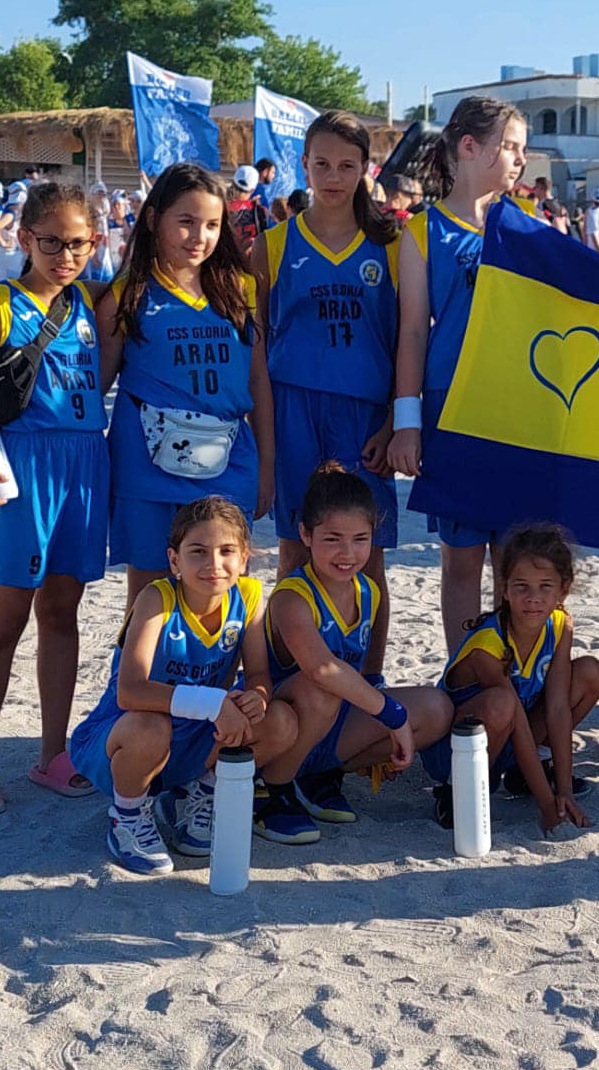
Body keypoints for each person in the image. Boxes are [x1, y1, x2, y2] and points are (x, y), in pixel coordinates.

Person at [0, 182, 109, 816]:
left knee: (62, 612)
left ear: (95, 242)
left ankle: (52, 753)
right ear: (26, 238)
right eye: (52, 242)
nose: (66, 255)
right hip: (22, 469)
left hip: (86, 468)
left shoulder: (91, 301)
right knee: (4, 621)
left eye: (78, 243)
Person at [68, 498, 298, 875]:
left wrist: (257, 697)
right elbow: (130, 692)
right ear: (174, 560)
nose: (214, 564)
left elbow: (258, 674)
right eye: (198, 551)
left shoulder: (249, 597)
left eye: (226, 551)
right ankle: (127, 816)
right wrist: (212, 703)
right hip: (125, 736)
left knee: (280, 721)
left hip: (196, 736)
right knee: (150, 727)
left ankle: (196, 795)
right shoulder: (156, 598)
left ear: (244, 559)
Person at [253, 112, 400, 676]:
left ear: (366, 168)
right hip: (294, 408)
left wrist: (395, 421)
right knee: (296, 548)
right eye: (322, 164)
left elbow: (409, 339)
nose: (333, 176)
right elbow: (256, 346)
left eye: (346, 165)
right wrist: (264, 445)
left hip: (365, 414)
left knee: (367, 555)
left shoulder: (392, 245)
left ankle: (370, 680)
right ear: (304, 165)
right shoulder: (273, 245)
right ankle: (290, 680)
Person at [98, 164, 275, 606]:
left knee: (220, 593)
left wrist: (267, 466)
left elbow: (258, 380)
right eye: (186, 221)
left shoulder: (241, 288)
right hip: (146, 466)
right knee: (150, 597)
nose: (200, 236)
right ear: (153, 219)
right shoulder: (127, 295)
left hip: (228, 462)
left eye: (212, 224)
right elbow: (95, 385)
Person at [387, 96, 529, 641]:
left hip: (519, 409)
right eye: (510, 147)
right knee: (463, 558)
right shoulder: (424, 231)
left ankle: (516, 673)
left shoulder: (526, 228)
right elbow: (413, 331)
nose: (520, 159)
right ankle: (466, 670)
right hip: (452, 406)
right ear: (469, 147)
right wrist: (407, 422)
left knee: (517, 559)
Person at [254, 464, 452, 842]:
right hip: (283, 725)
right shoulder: (292, 597)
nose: (347, 553)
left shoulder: (368, 591)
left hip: (333, 724)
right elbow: (322, 669)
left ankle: (318, 775)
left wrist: (383, 724)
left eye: (360, 539)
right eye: (332, 539)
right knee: (324, 687)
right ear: (305, 534)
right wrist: (392, 716)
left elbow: (363, 677)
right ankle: (272, 789)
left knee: (436, 708)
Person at [422, 523, 599, 834]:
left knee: (590, 673)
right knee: (502, 703)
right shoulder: (487, 644)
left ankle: (531, 771)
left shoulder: (560, 623)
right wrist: (547, 805)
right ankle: (456, 790)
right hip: (457, 750)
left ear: (563, 589)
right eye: (522, 586)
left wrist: (562, 792)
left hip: (510, 736)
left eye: (545, 586)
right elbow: (516, 721)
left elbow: (558, 707)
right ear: (504, 588)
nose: (533, 598)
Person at [228, 165, 267, 255]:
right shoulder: (260, 210)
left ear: (233, 183)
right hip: (252, 258)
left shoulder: (221, 207)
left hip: (227, 258)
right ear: (253, 190)